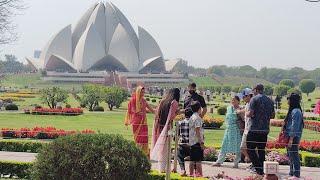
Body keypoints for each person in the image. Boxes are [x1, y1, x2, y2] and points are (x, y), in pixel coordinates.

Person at [246, 84, 275, 176]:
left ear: (256, 90)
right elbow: (273, 115)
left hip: (254, 129)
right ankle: (261, 169)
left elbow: (250, 113)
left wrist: (246, 113)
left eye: (253, 90)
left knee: (250, 149)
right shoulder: (270, 100)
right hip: (265, 129)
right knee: (261, 150)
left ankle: (258, 168)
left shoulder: (254, 99)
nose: (252, 92)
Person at [151, 88, 180, 173]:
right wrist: (177, 113)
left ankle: (161, 167)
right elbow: (171, 117)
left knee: (161, 147)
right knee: (167, 147)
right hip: (168, 127)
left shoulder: (163, 101)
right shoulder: (174, 102)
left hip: (159, 126)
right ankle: (164, 168)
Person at [213, 96, 242, 168]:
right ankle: (219, 161)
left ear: (238, 101)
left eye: (234, 100)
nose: (233, 101)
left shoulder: (241, 109)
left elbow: (243, 119)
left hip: (237, 129)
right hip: (229, 129)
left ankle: (236, 163)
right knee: (224, 145)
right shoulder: (229, 108)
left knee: (238, 146)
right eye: (232, 100)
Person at [125, 86, 155, 155]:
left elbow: (151, 109)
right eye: (141, 92)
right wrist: (139, 112)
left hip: (144, 122)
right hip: (136, 122)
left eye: (143, 92)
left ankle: (143, 154)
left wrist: (158, 113)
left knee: (144, 139)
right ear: (138, 92)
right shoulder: (133, 100)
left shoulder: (144, 101)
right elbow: (132, 110)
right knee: (138, 139)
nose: (143, 93)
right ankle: (137, 154)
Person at [284, 93, 304, 179]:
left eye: (288, 98)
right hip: (290, 136)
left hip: (293, 137)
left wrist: (291, 139)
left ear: (292, 100)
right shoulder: (294, 110)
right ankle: (291, 172)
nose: (287, 100)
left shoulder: (296, 111)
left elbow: (294, 126)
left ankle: (296, 174)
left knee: (294, 155)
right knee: (290, 155)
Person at [238, 88, 254, 169]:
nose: (242, 98)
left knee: (251, 148)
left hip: (251, 130)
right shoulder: (248, 104)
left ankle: (254, 163)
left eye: (243, 97)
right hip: (246, 129)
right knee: (242, 147)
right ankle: (253, 161)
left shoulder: (252, 103)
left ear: (248, 96)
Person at [189, 101, 205, 177]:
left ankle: (191, 175)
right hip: (197, 141)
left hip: (192, 141)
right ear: (199, 108)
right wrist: (201, 142)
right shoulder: (198, 118)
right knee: (198, 160)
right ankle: (200, 176)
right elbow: (198, 130)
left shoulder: (192, 117)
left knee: (192, 160)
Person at [176, 108, 193, 176]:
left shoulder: (180, 123)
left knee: (179, 155)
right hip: (192, 146)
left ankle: (183, 170)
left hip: (183, 145)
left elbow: (176, 136)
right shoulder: (194, 123)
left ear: (185, 115)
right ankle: (194, 171)